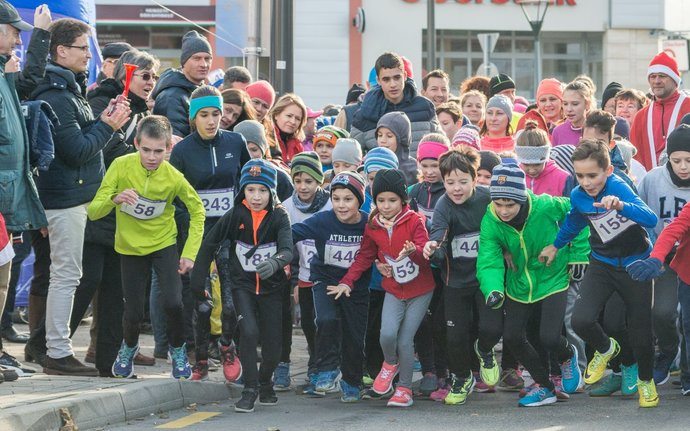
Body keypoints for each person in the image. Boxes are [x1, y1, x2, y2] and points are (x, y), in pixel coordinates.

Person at [28, 18, 131, 375]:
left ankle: (54, 349)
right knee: (66, 276)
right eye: (82, 49)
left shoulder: (69, 90)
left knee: (68, 275)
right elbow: (75, 150)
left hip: (75, 197)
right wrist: (109, 125)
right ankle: (56, 353)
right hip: (65, 199)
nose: (89, 55)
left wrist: (103, 119)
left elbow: (84, 137)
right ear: (61, 51)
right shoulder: (56, 94)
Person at [539, 139, 660, 408]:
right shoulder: (579, 195)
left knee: (639, 330)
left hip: (634, 265)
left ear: (607, 171)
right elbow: (574, 221)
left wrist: (620, 206)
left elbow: (650, 218)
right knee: (581, 320)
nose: (586, 181)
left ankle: (646, 381)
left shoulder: (618, 186)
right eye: (580, 175)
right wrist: (556, 246)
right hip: (602, 264)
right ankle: (607, 349)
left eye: (592, 175)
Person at [87, 115, 204, 379]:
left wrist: (189, 253)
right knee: (133, 312)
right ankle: (128, 348)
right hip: (129, 247)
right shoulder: (120, 166)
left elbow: (198, 211)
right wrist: (115, 199)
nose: (152, 157)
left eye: (159, 151)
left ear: (168, 149)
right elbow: (94, 211)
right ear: (137, 144)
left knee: (174, 302)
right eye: (146, 150)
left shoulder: (173, 177)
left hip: (163, 243)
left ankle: (178, 350)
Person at [66, 49, 159, 376]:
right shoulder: (102, 103)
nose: (151, 82)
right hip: (99, 207)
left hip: (124, 217)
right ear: (124, 75)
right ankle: (53, 349)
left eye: (154, 77)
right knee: (85, 282)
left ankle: (109, 363)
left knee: (115, 293)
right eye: (144, 75)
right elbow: (101, 150)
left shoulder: (144, 113)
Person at [478, 164, 586, 407]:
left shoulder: (545, 205)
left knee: (548, 337)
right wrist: (492, 289)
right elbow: (488, 259)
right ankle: (544, 387)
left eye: (510, 205)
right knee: (513, 338)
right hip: (519, 284)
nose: (504, 211)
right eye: (499, 204)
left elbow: (577, 213)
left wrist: (579, 254)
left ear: (522, 199)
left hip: (552, 277)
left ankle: (568, 356)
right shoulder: (491, 218)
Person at [191, 159, 293, 413]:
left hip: (272, 288)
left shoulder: (279, 215)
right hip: (243, 286)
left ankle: (265, 381)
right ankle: (250, 388)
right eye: (250, 190)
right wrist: (196, 282)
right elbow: (208, 245)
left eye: (262, 191)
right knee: (248, 332)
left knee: (272, 348)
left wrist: (275, 263)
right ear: (243, 191)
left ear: (272, 192)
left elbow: (288, 250)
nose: (256, 197)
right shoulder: (235, 214)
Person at [332, 169, 435, 408]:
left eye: (392, 200)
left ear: (403, 201)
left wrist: (415, 252)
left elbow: (425, 257)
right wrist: (347, 281)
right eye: (380, 200)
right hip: (394, 289)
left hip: (420, 290)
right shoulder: (373, 225)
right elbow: (365, 256)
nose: (386, 206)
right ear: (374, 200)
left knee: (405, 340)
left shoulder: (414, 221)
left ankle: (404, 389)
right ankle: (390, 364)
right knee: (386, 334)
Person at [169, 85, 250, 381]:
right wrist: (189, 224)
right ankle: (200, 358)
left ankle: (227, 346)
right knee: (201, 303)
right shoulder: (182, 150)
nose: (212, 120)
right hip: (199, 236)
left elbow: (246, 186)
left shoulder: (236, 141)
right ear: (194, 118)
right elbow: (174, 198)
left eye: (216, 113)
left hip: (229, 234)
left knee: (230, 301)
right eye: (204, 115)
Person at [422, 146, 503, 405]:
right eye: (450, 182)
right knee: (455, 336)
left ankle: (484, 351)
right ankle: (461, 378)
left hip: (486, 278)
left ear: (475, 178)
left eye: (463, 182)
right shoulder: (444, 205)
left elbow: (508, 224)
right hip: (455, 281)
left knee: (492, 328)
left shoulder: (488, 198)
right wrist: (433, 247)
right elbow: (439, 235)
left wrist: (509, 250)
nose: (456, 188)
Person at [0, 1, 52, 369]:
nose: (19, 37)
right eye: (14, 30)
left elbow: (31, 82)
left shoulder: (4, 75)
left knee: (4, 281)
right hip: (2, 196)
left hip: (8, 196)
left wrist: (42, 37)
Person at [292, 171, 370, 401]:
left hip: (356, 287)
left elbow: (382, 246)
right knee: (325, 320)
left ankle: (352, 381)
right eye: (336, 199)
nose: (341, 205)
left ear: (359, 201)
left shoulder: (368, 224)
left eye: (348, 199)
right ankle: (326, 369)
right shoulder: (322, 220)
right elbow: (291, 233)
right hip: (325, 281)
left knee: (355, 337)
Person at [635, 124, 690, 385]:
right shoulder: (653, 179)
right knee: (663, 313)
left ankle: (685, 365)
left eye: (689, 160)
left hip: (687, 257)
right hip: (662, 257)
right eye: (676, 160)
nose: (683, 166)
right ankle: (667, 352)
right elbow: (639, 213)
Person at [627, 201, 690, 395]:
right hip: (688, 275)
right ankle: (687, 376)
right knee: (688, 325)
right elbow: (672, 230)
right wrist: (656, 258)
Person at [281, 153, 332, 393]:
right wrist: (293, 282)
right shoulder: (287, 207)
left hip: (329, 276)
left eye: (309, 181)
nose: (303, 186)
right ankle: (315, 364)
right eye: (298, 180)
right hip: (304, 275)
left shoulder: (331, 203)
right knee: (310, 326)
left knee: (325, 323)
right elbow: (287, 247)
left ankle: (325, 366)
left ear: (319, 182)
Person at [351, 52, 440, 158]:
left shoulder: (425, 107)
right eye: (386, 79)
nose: (393, 84)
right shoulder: (364, 115)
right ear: (378, 81)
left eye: (397, 77)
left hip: (419, 173)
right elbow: (352, 158)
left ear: (405, 76)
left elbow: (440, 146)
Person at [631, 52, 690, 170]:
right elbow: (635, 158)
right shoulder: (641, 116)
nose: (656, 81)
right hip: (650, 184)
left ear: (675, 80)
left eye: (662, 76)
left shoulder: (688, 106)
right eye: (652, 76)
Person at [152, 30, 212, 138]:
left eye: (207, 59)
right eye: (197, 58)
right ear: (184, 62)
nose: (204, 64)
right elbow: (175, 143)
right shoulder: (171, 97)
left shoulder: (200, 91)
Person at [233, 119, 294, 202]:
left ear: (263, 151)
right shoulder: (228, 176)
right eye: (243, 149)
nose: (249, 155)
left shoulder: (280, 177)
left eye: (254, 150)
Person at [516, 120, 570, 197]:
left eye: (537, 164)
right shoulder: (515, 177)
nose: (532, 170)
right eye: (526, 164)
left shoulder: (563, 179)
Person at [376, 111, 417, 186]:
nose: (382, 140)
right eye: (380, 135)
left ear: (402, 138)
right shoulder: (373, 163)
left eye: (389, 136)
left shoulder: (414, 169)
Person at [552, 80, 593, 146]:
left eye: (575, 104)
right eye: (565, 104)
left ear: (587, 104)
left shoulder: (596, 131)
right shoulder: (557, 132)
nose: (569, 109)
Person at [268, 93, 307, 163]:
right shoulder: (267, 139)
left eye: (298, 119)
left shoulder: (298, 146)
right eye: (289, 116)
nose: (293, 122)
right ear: (276, 114)